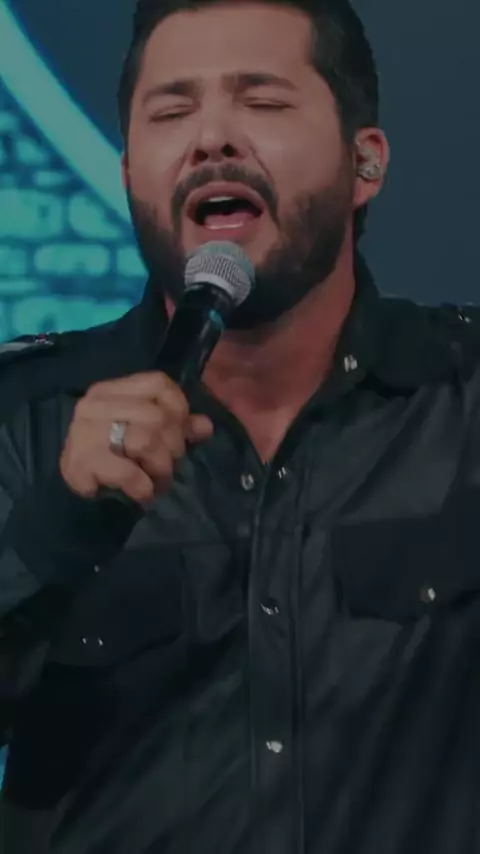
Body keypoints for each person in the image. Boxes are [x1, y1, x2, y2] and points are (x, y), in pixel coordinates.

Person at [0, 0, 480, 852]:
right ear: (129, 171)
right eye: (172, 111)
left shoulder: (463, 401)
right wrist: (58, 531)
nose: (212, 139)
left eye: (261, 101)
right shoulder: (22, 421)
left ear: (365, 162)